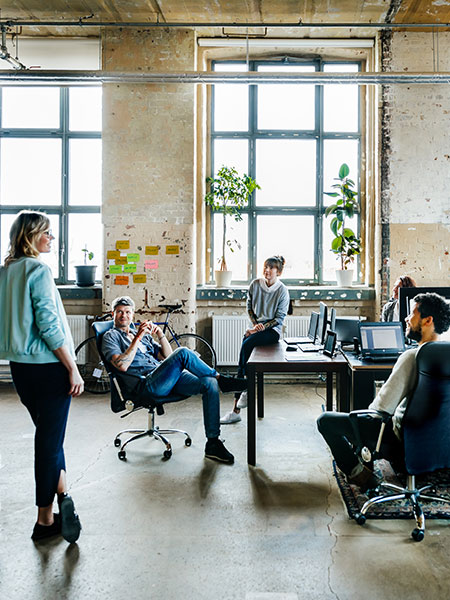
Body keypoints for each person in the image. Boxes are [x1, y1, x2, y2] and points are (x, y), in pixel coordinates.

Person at [0, 210, 83, 543]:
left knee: (50, 439)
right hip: (49, 369)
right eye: (47, 233)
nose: (52, 238)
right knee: (48, 446)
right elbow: (49, 326)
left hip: (21, 370)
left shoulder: (6, 272)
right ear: (31, 236)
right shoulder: (38, 270)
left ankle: (63, 495)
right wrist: (73, 367)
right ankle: (44, 522)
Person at [317, 292, 450, 492]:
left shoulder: (412, 357)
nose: (406, 318)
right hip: (441, 444)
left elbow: (380, 409)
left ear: (428, 320)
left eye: (412, 313)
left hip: (404, 446)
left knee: (325, 421)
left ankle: (360, 475)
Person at [102, 296, 247, 464]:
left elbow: (168, 356)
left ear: (133, 314)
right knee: (184, 352)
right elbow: (121, 365)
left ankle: (213, 443)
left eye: (127, 312)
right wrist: (138, 338)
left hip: (164, 378)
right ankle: (223, 379)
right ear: (113, 314)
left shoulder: (139, 334)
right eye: (119, 312)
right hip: (146, 385)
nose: (123, 316)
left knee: (209, 383)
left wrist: (160, 335)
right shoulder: (111, 336)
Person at [220, 255, 290, 424]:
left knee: (247, 343)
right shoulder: (255, 285)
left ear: (278, 272)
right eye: (265, 266)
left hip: (272, 331)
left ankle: (240, 399)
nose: (267, 270)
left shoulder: (283, 291)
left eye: (271, 268)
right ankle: (242, 393)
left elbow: (279, 319)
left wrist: (260, 328)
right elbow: (249, 307)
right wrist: (255, 325)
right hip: (257, 328)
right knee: (246, 347)